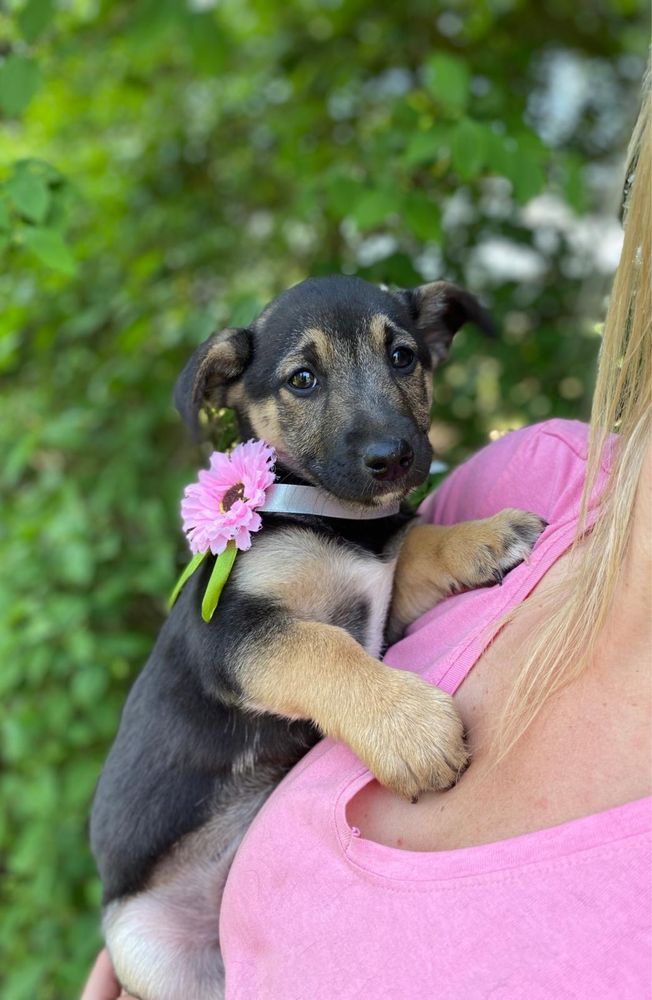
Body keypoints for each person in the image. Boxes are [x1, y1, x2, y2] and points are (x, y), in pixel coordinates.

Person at [82, 80, 650, 999]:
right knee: (156, 953)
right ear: (238, 397)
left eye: (398, 359)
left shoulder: (387, 524)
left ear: (433, 345)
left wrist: (446, 553)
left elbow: (389, 572)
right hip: (171, 884)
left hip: (276, 874)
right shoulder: (259, 539)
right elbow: (246, 651)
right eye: (306, 382)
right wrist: (374, 702)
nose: (379, 422)